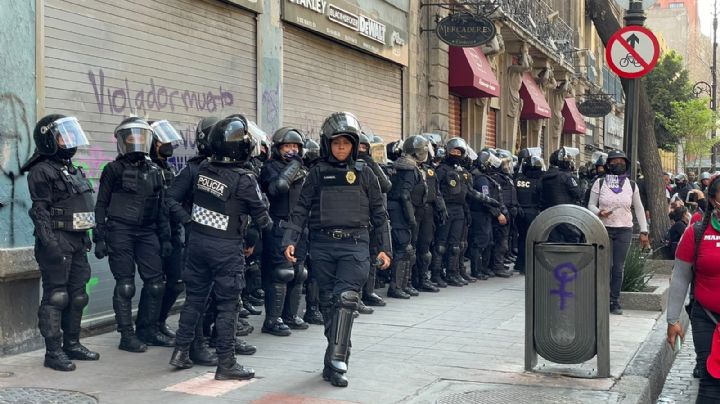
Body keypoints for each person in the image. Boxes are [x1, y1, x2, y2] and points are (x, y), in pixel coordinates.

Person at [281, 112, 392, 387]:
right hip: (323, 245)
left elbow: (380, 214)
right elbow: (300, 209)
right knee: (330, 305)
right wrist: (290, 239)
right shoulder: (317, 172)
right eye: (336, 143)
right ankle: (333, 358)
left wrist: (385, 249)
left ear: (354, 145)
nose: (341, 148)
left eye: (346, 143)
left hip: (355, 245)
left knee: (346, 300)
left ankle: (339, 361)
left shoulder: (366, 173)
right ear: (327, 144)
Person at [169, 115, 272, 380]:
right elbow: (263, 219)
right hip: (226, 248)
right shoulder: (245, 178)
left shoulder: (202, 170)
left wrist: (189, 222)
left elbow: (177, 200)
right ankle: (227, 364)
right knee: (228, 305)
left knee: (194, 300)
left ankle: (180, 351)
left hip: (198, 244)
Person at [22, 114, 100, 371]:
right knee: (57, 296)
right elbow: (40, 211)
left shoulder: (72, 169)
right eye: (62, 136)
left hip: (77, 241)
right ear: (48, 141)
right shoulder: (40, 171)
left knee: (78, 296)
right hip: (57, 240)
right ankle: (53, 352)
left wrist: (87, 236)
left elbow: (80, 206)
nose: (69, 141)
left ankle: (72, 344)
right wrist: (50, 244)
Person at [94, 117, 173, 352]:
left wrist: (166, 237)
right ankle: (126, 336)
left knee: (156, 284)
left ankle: (147, 330)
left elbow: (161, 207)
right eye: (132, 138)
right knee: (126, 285)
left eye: (141, 137)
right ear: (122, 141)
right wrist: (99, 236)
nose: (137, 142)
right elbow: (101, 204)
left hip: (148, 231)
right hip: (120, 230)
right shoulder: (113, 169)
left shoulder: (155, 171)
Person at [667, 174, 720, 402]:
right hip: (706, 318)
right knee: (710, 381)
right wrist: (672, 320)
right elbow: (680, 277)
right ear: (713, 200)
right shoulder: (696, 232)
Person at [259, 127, 309, 335]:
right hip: (279, 226)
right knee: (281, 272)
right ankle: (272, 320)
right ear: (278, 148)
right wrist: (295, 165)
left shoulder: (304, 170)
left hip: (299, 227)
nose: (292, 150)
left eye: (296, 146)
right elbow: (278, 187)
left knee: (299, 273)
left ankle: (290, 315)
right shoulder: (270, 167)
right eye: (288, 146)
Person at [587, 150, 649, 315]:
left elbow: (640, 209)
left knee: (618, 267)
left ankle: (614, 301)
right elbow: (590, 205)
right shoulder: (600, 183)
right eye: (614, 161)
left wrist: (644, 230)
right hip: (603, 229)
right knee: (604, 265)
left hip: (624, 230)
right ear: (608, 164)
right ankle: (600, 298)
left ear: (626, 164)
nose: (618, 164)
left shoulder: (632, 185)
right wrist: (599, 212)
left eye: (621, 161)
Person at [148, 120, 185, 341]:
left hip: (172, 232)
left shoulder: (169, 169)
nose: (167, 144)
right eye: (161, 140)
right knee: (155, 284)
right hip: (152, 233)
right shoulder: (146, 168)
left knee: (176, 283)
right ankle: (148, 327)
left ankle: (160, 321)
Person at [386, 135, 427, 298]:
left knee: (406, 250)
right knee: (403, 249)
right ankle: (396, 287)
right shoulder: (409, 169)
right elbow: (404, 195)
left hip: (398, 210)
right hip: (400, 212)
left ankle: (404, 284)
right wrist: (411, 218)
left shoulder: (399, 165)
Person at [431, 138, 472, 287]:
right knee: (441, 244)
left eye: (458, 152)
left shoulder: (460, 171)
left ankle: (452, 273)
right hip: (446, 209)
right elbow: (436, 190)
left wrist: (466, 210)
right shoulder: (441, 169)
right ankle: (436, 274)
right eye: (453, 151)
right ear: (448, 151)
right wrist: (441, 207)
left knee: (456, 245)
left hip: (459, 210)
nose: (456, 154)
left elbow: (467, 192)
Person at [468, 150, 504, 279]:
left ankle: (483, 269)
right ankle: (477, 270)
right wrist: (498, 214)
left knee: (488, 242)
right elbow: (486, 199)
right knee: (480, 242)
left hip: (483, 214)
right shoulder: (482, 179)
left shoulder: (481, 176)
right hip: (480, 214)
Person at [539, 147, 584, 243]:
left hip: (547, 215)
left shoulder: (544, 176)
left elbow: (537, 192)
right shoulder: (567, 177)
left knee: (553, 242)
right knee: (573, 239)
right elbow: (578, 194)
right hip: (566, 214)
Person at [514, 149, 544, 275]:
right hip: (532, 212)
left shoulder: (518, 179)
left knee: (521, 238)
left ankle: (520, 264)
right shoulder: (539, 182)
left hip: (519, 212)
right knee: (532, 239)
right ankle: (528, 265)